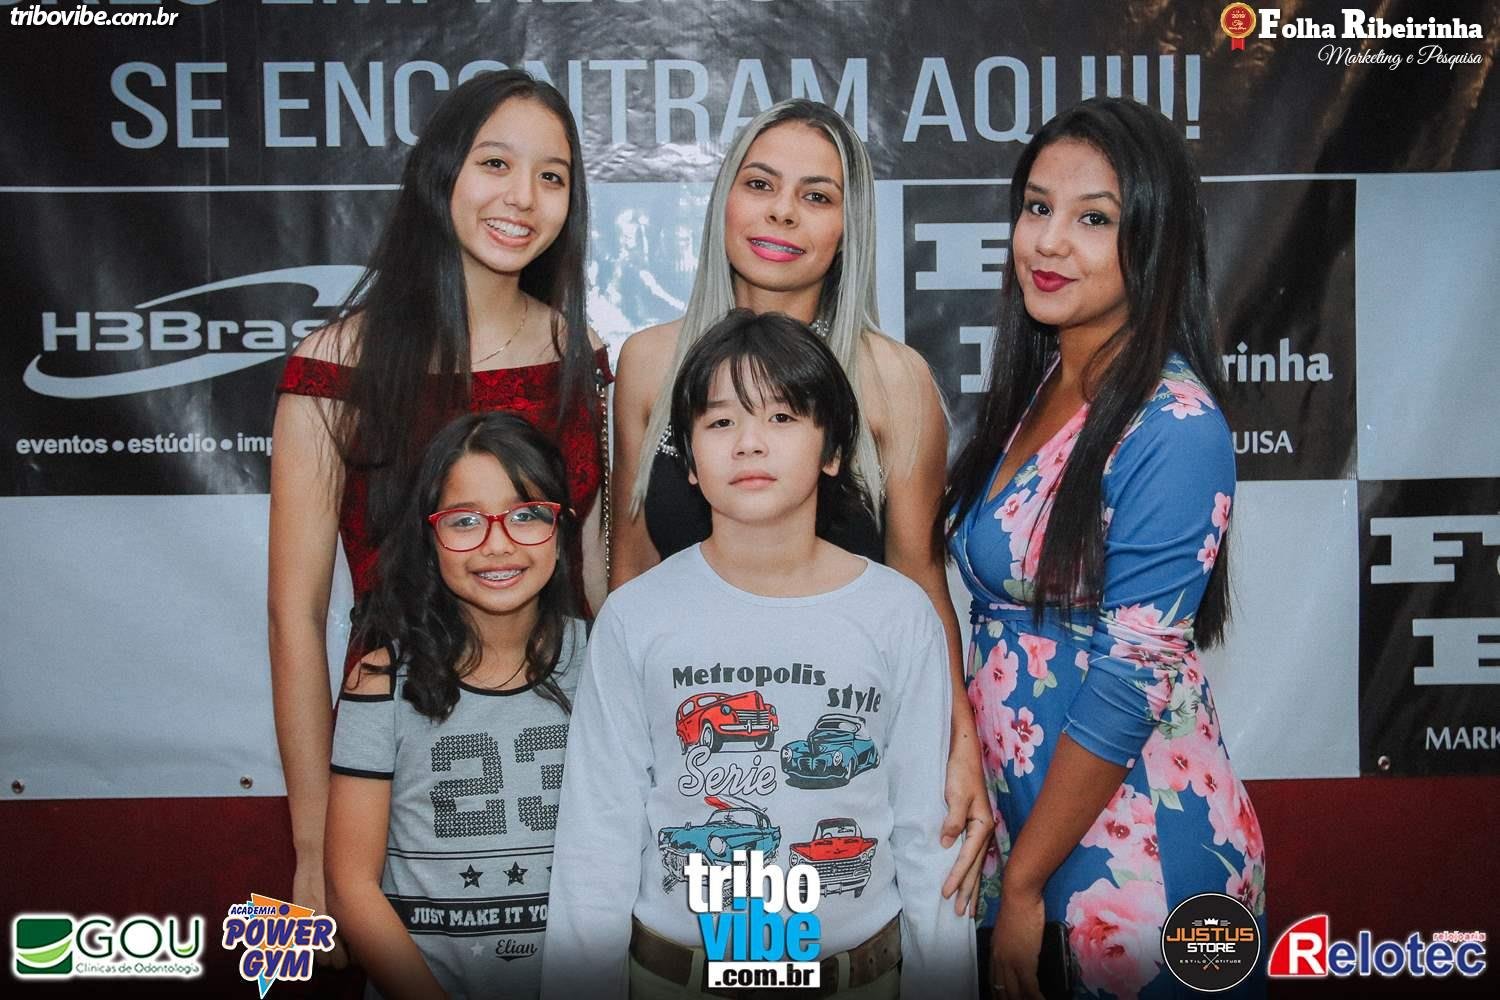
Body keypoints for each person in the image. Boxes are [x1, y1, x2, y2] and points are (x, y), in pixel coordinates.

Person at [610, 98, 992, 912]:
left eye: (817, 195)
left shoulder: (894, 380)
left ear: (849, 228)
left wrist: (959, 742)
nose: (783, 211)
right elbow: (630, 573)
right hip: (695, 756)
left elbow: (921, 579)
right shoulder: (648, 364)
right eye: (760, 184)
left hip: (840, 742)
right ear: (725, 200)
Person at [268, 69, 608, 960]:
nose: (523, 197)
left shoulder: (581, 355)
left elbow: (599, 584)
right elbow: (295, 615)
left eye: (552, 175)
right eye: (496, 162)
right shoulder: (334, 365)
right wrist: (314, 846)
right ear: (441, 173)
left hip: (557, 757)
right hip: (397, 755)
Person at [542, 311, 975, 1000]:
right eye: (720, 422)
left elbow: (931, 841)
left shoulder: (897, 616)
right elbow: (596, 841)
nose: (749, 442)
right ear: (688, 462)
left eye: (781, 418)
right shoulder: (635, 617)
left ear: (833, 451)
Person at [942, 97, 1266, 1000]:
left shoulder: (1176, 422)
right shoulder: (1048, 377)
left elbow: (1133, 674)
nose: (1049, 242)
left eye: (1094, 219)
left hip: (1144, 854)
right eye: (1036, 208)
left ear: (1155, 240)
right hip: (1034, 829)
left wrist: (1026, 884)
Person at [326, 411, 586, 999]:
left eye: (525, 514)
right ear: (430, 538)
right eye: (465, 521)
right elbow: (350, 885)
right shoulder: (381, 681)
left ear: (560, 528)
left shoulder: (605, 662)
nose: (497, 544)